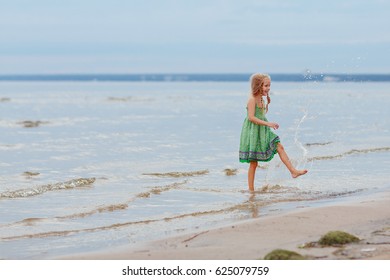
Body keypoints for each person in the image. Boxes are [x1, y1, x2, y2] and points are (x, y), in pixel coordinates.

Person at [239, 73, 307, 191]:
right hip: (253, 132)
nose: (268, 88)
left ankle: (293, 171)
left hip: (262, 129)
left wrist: (266, 124)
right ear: (258, 86)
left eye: (269, 85)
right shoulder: (252, 100)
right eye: (266, 85)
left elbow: (260, 115)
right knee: (253, 163)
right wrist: (268, 123)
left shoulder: (262, 99)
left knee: (279, 146)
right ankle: (251, 190)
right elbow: (251, 117)